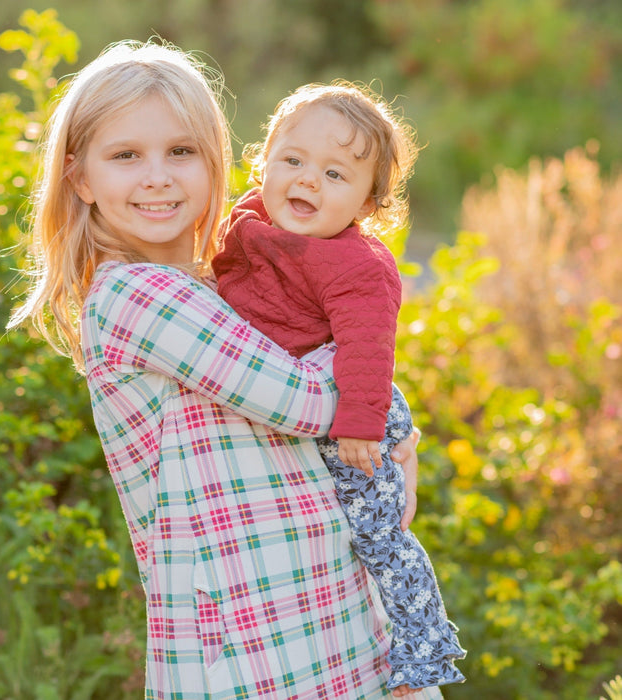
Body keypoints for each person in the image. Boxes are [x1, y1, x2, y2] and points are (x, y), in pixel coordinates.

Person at [7, 40, 435, 700]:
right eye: (126, 156)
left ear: (216, 162)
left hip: (333, 619)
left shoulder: (223, 286)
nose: (157, 176)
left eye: (181, 152)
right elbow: (307, 402)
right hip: (241, 648)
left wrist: (384, 418)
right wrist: (374, 381)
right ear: (81, 179)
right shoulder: (135, 296)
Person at [212, 82, 466, 693]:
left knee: (379, 534)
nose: (307, 182)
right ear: (263, 160)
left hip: (358, 409)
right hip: (314, 400)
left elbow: (367, 349)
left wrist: (361, 429)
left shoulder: (356, 265)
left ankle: (423, 651)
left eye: (334, 173)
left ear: (368, 200)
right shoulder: (246, 221)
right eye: (293, 161)